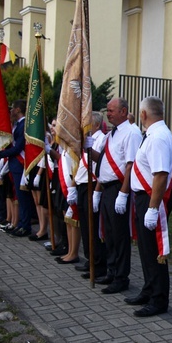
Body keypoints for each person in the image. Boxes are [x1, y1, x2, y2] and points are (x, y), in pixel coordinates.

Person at [127, 96, 172, 317]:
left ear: (143, 114)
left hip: (151, 198)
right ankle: (148, 290)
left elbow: (160, 175)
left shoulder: (157, 137)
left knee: (155, 252)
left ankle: (158, 299)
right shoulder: (154, 134)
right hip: (144, 197)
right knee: (146, 250)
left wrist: (153, 208)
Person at [93, 97, 142, 294]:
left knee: (120, 236)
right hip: (106, 188)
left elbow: (130, 164)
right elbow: (103, 161)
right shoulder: (110, 134)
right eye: (108, 111)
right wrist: (87, 148)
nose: (108, 113)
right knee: (110, 234)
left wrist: (123, 192)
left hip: (118, 188)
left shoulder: (131, 132)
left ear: (123, 111)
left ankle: (122, 277)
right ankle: (112, 271)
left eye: (112, 110)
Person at [72, 112, 108, 278]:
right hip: (82, 184)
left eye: (87, 123)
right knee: (85, 225)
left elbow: (101, 161)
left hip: (92, 184)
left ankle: (98, 263)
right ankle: (90, 258)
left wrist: (88, 148)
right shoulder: (90, 138)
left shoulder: (102, 138)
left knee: (93, 226)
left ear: (95, 124)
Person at [0, 100, 33, 237]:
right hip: (14, 164)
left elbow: (18, 148)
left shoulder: (23, 125)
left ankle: (25, 226)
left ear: (18, 110)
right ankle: (20, 224)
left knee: (22, 197)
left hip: (19, 164)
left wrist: (1, 154)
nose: (11, 110)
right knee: (18, 195)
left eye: (13, 108)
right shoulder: (17, 125)